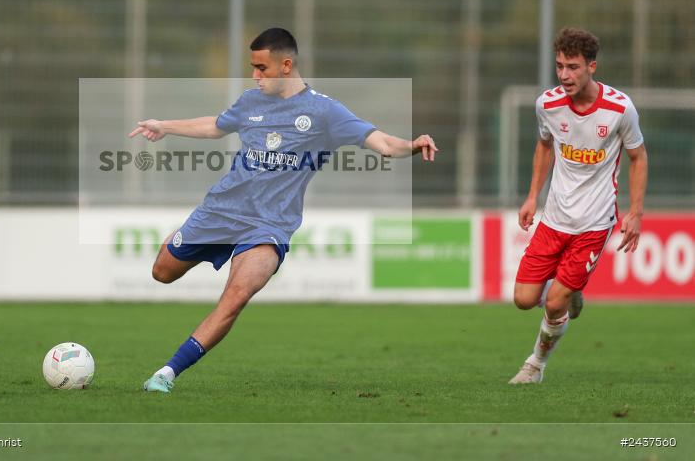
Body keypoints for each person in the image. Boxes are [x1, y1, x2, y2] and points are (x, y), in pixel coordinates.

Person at [128, 27, 438, 393]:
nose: (255, 76)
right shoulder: (250, 102)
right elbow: (215, 126)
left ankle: (166, 374)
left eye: (262, 68)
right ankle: (200, 242)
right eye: (252, 67)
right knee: (162, 272)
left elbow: (383, 143)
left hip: (268, 226)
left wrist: (412, 144)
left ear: (286, 65)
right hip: (220, 211)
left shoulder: (325, 111)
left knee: (236, 296)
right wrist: (164, 126)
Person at [508, 27, 648, 384]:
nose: (565, 75)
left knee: (554, 304)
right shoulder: (548, 104)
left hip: (594, 224)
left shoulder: (619, 109)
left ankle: (535, 366)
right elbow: (543, 146)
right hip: (554, 219)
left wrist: (635, 212)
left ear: (592, 67)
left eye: (573, 67)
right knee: (524, 299)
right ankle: (573, 290)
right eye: (559, 66)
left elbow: (638, 156)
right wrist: (531, 196)